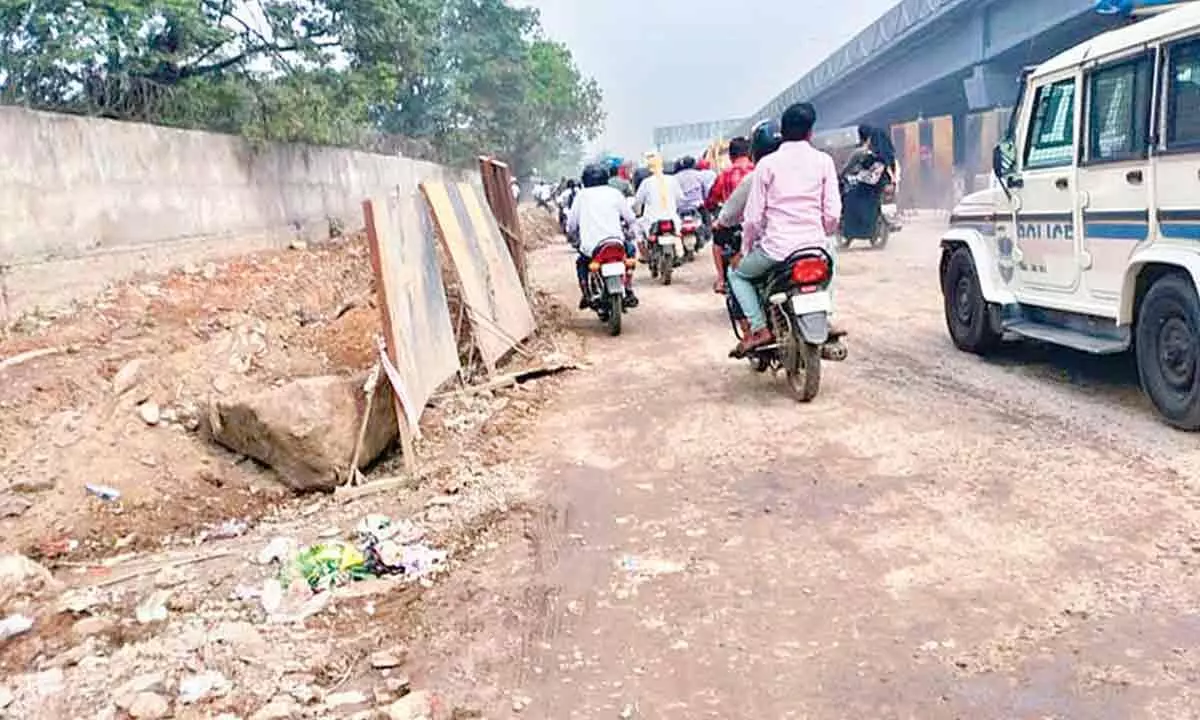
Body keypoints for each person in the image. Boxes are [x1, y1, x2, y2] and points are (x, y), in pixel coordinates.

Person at [728, 102, 841, 354]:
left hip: (776, 250)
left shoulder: (767, 165)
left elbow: (753, 218)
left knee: (736, 274)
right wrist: (821, 232)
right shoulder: (824, 161)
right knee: (831, 259)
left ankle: (759, 328)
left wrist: (746, 249)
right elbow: (833, 213)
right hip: (815, 245)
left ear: (783, 131)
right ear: (811, 132)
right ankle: (826, 315)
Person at [566, 163, 641, 310]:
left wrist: (571, 234)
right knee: (630, 251)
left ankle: (586, 293)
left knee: (582, 264)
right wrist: (633, 231)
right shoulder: (614, 193)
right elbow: (630, 218)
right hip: (616, 243)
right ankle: (628, 286)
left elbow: (572, 224)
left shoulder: (581, 196)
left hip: (591, 248)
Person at [705, 136, 755, 293]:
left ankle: (721, 279)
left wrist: (711, 207)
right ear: (750, 153)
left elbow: (712, 199)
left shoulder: (725, 175)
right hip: (757, 223)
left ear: (731, 155)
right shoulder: (758, 170)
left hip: (733, 225)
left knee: (717, 243)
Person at [840, 124, 895, 241]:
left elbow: (856, 172)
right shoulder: (887, 156)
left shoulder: (864, 154)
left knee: (849, 199)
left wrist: (844, 176)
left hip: (867, 188)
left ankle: (853, 231)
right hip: (879, 187)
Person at [633, 152, 684, 241]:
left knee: (637, 230)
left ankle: (643, 254)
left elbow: (638, 201)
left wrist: (637, 212)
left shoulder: (646, 182)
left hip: (651, 220)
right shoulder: (672, 179)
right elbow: (680, 198)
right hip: (672, 219)